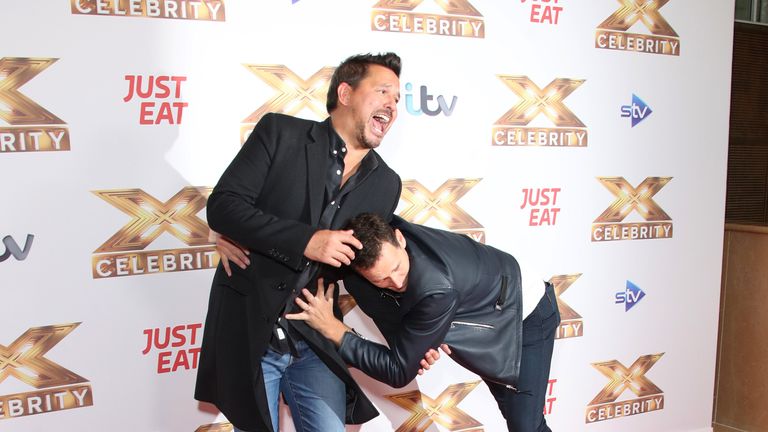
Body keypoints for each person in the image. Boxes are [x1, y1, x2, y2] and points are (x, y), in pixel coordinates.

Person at [194, 53, 403, 432]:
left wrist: (420, 333)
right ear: (345, 92)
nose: (392, 104)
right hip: (251, 330)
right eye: (383, 91)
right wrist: (304, 240)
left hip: (314, 339)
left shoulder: (386, 184)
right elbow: (224, 206)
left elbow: (368, 270)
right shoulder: (280, 134)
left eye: (398, 98)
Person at [286, 213, 560, 432]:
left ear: (400, 238)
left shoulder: (436, 288)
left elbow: (397, 372)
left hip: (525, 314)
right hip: (484, 302)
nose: (395, 282)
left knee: (526, 424)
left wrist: (335, 330)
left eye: (396, 268)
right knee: (516, 415)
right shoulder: (374, 246)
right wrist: (417, 345)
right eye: (381, 279)